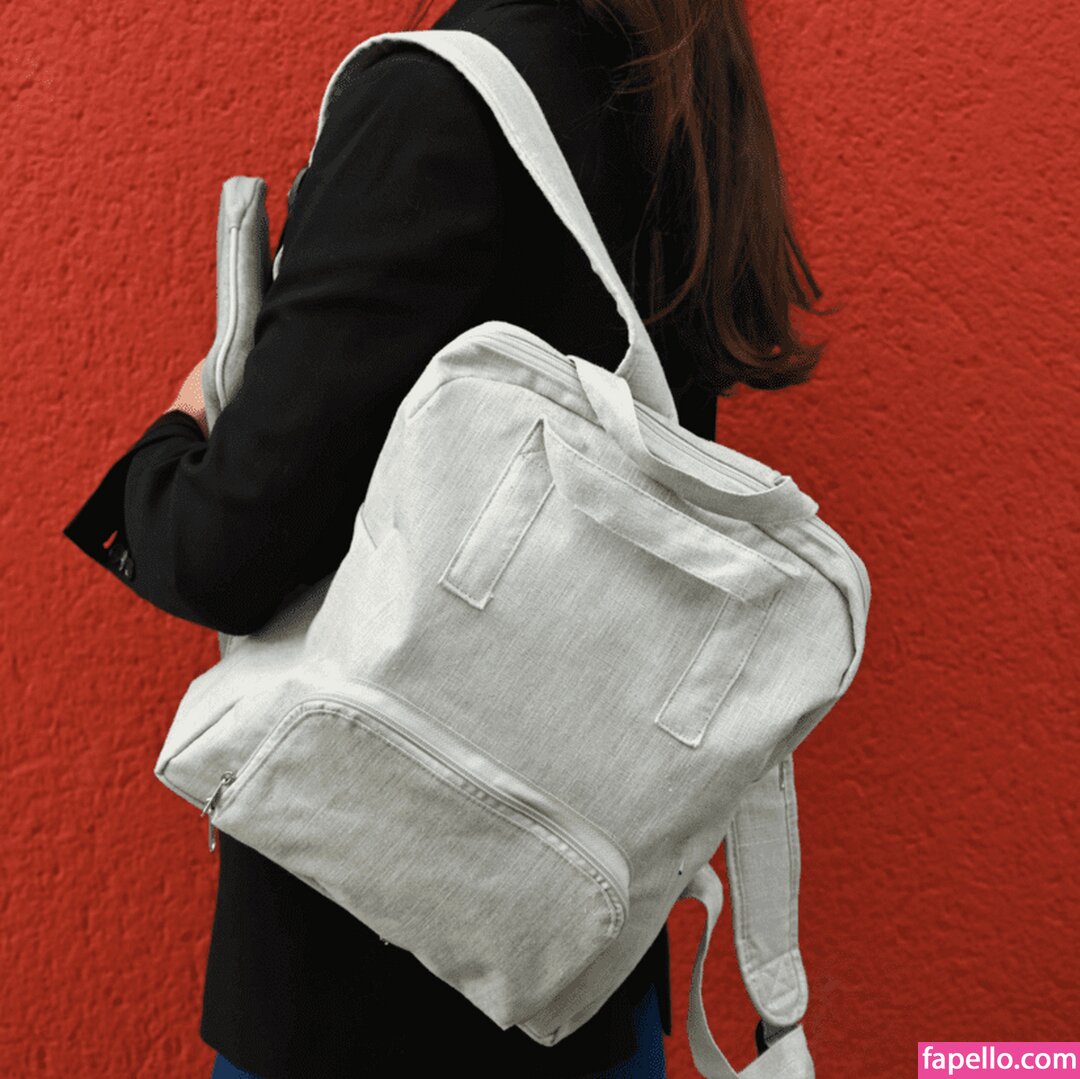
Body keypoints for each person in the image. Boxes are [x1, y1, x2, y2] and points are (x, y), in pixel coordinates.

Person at [62, 0, 833, 1075]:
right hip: (576, 972)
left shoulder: (441, 99)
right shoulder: (675, 84)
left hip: (364, 990)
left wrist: (175, 434)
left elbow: (225, 550)